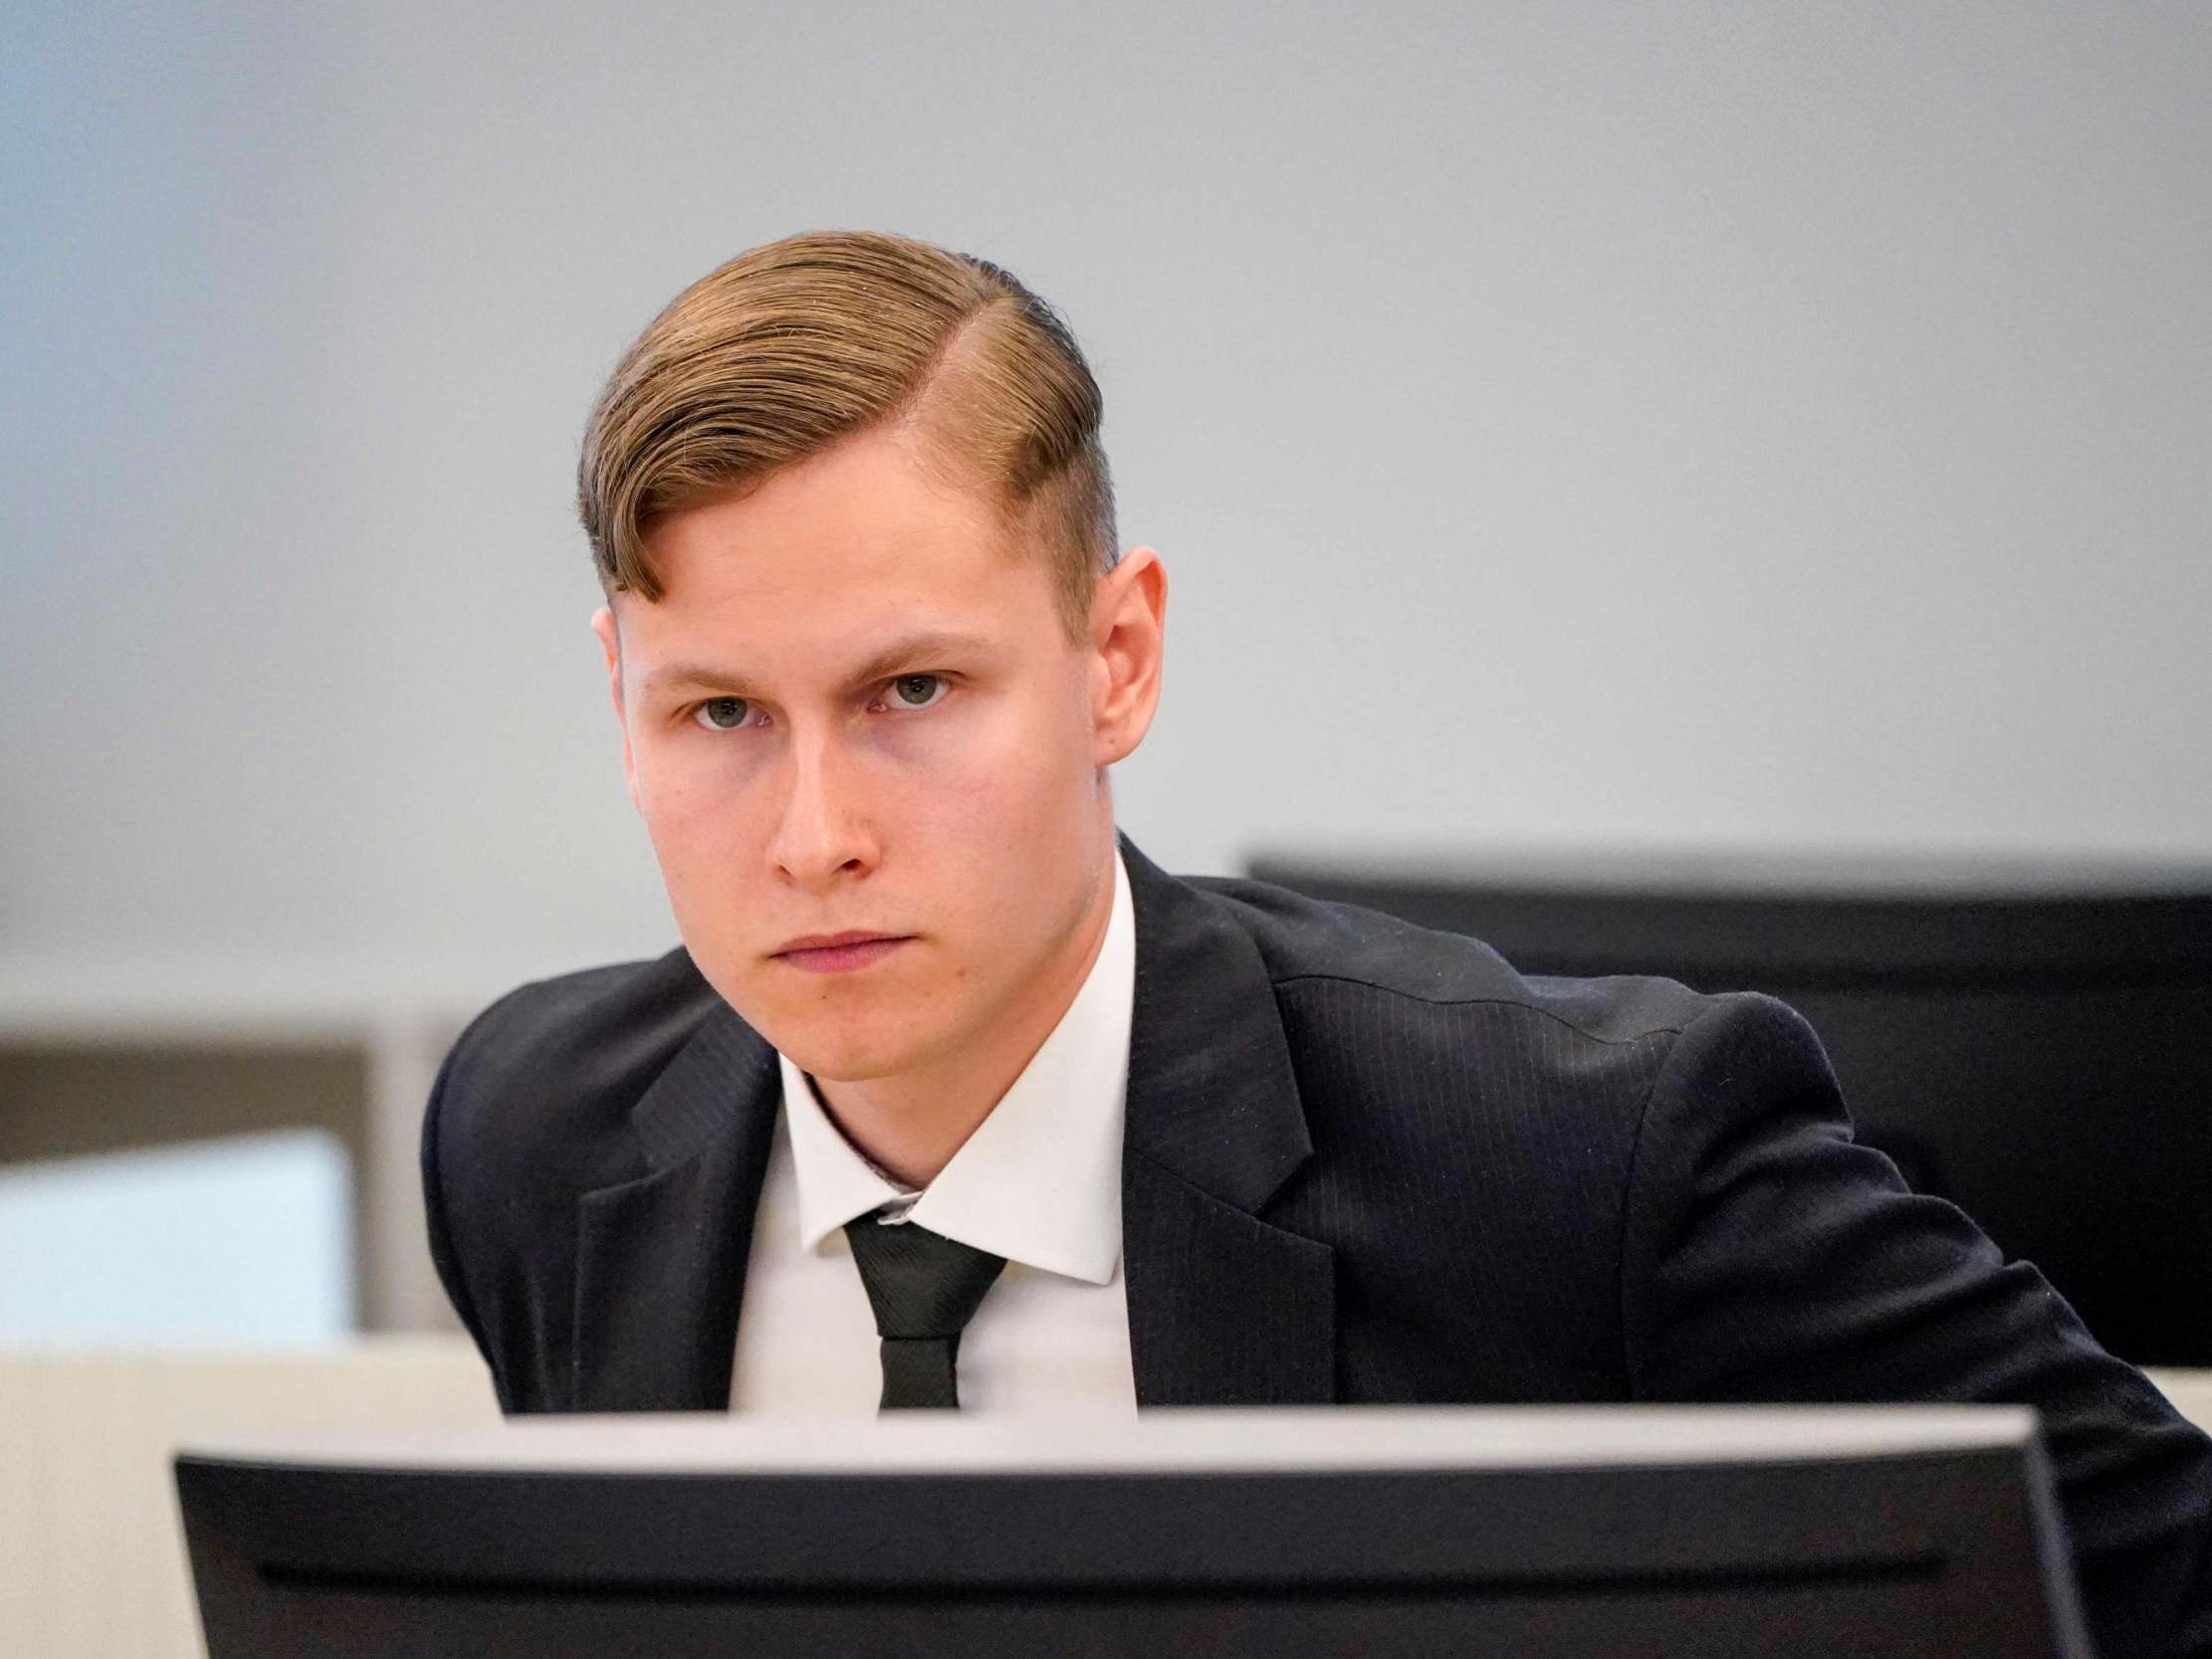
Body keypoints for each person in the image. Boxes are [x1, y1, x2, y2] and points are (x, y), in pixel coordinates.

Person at [422, 228, 2211, 1654]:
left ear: (1113, 659)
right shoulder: (537, 1130)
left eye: (911, 689)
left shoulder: (1583, 1158)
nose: (815, 836)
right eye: (719, 715)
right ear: (617, 699)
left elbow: (2162, 1572)